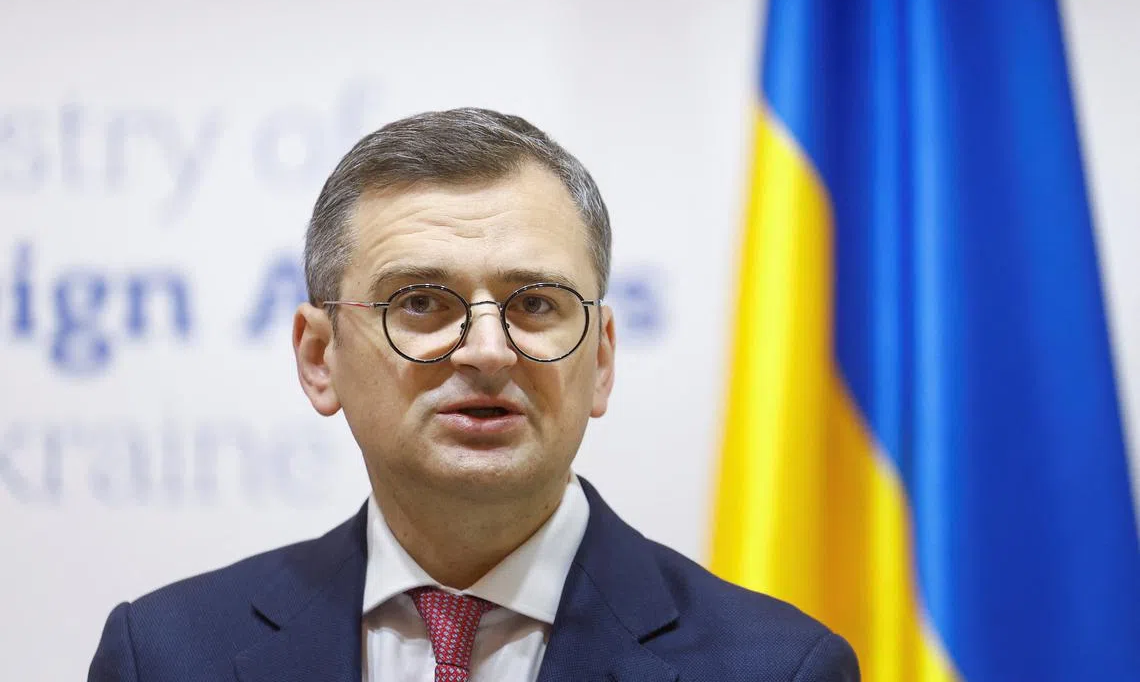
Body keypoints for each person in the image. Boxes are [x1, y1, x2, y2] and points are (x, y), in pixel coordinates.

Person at [88, 108, 859, 681]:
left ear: (602, 359)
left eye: (535, 304)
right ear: (320, 357)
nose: (488, 351)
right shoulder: (165, 655)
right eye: (420, 303)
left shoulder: (777, 668)